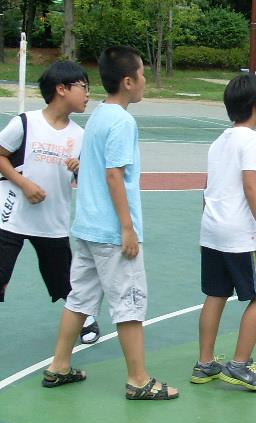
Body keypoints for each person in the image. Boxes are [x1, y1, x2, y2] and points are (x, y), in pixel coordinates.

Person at [41, 46, 179, 400]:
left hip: (86, 227)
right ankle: (138, 380)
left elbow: (90, 163)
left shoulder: (99, 115)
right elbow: (114, 175)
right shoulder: (122, 121)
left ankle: (59, 365)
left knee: (80, 299)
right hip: (110, 232)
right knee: (129, 303)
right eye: (143, 75)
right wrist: (127, 228)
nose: (146, 81)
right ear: (128, 81)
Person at [191, 73, 256, 392]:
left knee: (215, 294)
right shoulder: (253, 141)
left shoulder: (220, 141)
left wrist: (207, 227)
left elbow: (208, 188)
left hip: (213, 230)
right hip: (241, 234)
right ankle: (240, 364)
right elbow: (250, 186)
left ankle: (205, 363)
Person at [0, 61, 100, 343]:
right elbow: (1, 156)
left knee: (64, 278)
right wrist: (24, 184)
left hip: (52, 220)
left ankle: (86, 318)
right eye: (83, 87)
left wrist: (80, 167)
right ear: (61, 89)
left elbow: (87, 177)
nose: (88, 94)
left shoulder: (80, 136)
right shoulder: (25, 123)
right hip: (11, 215)